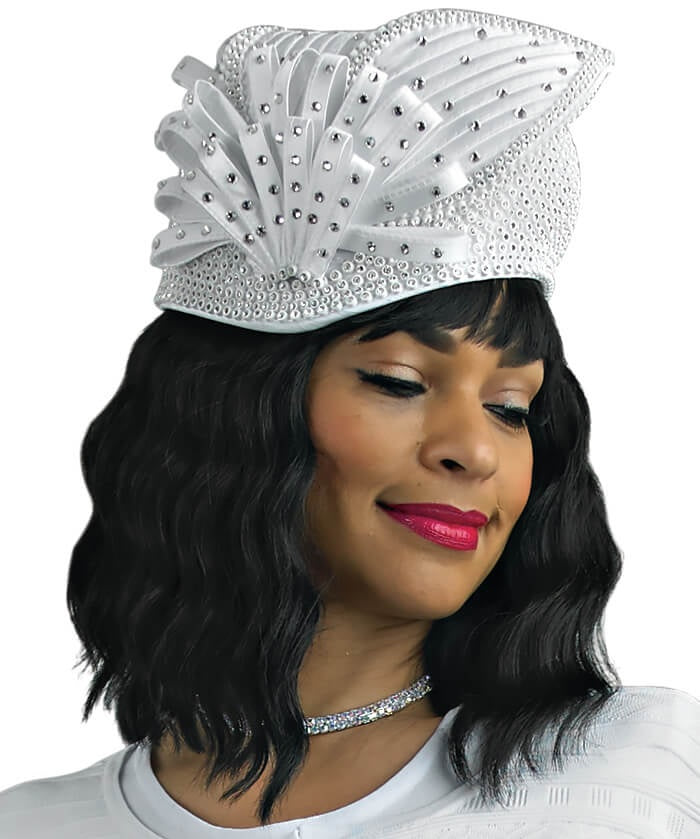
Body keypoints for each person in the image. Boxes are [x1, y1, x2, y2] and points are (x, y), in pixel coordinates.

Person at [1, 7, 698, 838]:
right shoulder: (33, 824)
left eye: (511, 409)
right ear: (234, 411)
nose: (475, 450)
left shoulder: (639, 773)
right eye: (399, 382)